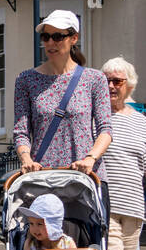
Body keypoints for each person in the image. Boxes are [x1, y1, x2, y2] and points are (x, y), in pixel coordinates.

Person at [14, 10, 112, 175]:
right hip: (43, 177)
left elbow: (106, 129)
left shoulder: (95, 79)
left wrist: (90, 158)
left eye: (58, 37)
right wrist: (27, 160)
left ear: (74, 38)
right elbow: (21, 132)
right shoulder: (26, 80)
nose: (51, 43)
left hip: (85, 177)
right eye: (46, 37)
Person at [100, 58, 146, 250]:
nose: (112, 86)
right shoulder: (97, 118)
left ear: (129, 84)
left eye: (117, 81)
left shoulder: (141, 122)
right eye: (107, 80)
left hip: (134, 209)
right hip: (106, 205)